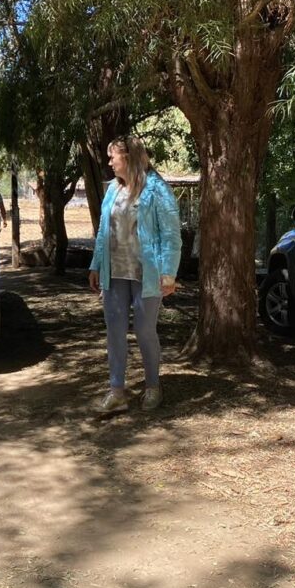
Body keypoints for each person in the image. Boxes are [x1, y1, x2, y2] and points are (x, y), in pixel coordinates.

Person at [88, 136, 181, 414]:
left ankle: (153, 386)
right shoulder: (112, 190)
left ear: (127, 157)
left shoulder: (156, 190)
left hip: (147, 274)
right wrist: (96, 264)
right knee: (114, 332)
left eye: (112, 156)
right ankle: (117, 391)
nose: (109, 161)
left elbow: (171, 235)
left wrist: (169, 274)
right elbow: (104, 232)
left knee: (144, 331)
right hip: (115, 272)